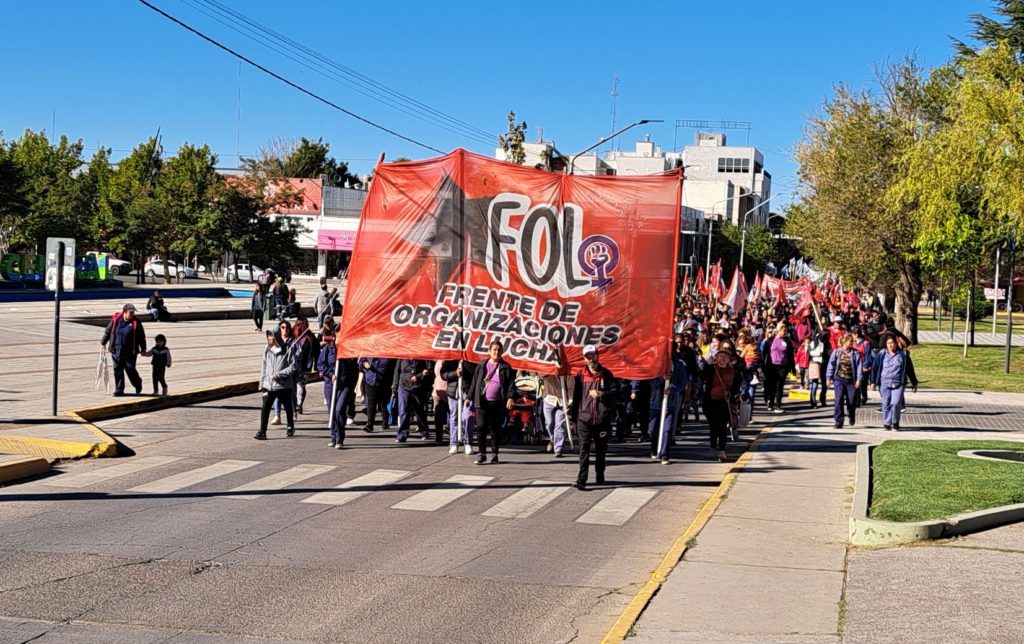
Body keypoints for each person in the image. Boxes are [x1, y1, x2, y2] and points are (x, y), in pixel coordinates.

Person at [570, 345, 618, 489]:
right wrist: (573, 419)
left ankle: (600, 474)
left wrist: (602, 394)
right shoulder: (580, 375)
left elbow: (616, 393)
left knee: (600, 449)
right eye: (588, 356)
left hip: (602, 419)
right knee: (583, 449)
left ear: (598, 356)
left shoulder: (607, 374)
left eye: (593, 355)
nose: (591, 359)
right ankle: (581, 479)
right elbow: (576, 398)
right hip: (584, 419)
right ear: (584, 359)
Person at [469, 341, 515, 464]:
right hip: (482, 402)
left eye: (499, 350)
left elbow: (511, 384)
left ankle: (494, 454)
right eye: (494, 349)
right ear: (489, 351)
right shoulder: (481, 365)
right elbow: (475, 382)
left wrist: (510, 397)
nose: (496, 352)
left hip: (498, 403)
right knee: (481, 428)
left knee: (495, 429)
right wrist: (469, 397)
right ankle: (481, 453)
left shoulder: (506, 367)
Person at [254, 330, 298, 440]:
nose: (269, 338)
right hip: (269, 386)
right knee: (265, 408)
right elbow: (264, 366)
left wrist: (279, 375)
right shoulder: (267, 349)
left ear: (276, 336)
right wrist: (261, 381)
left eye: (271, 335)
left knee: (288, 407)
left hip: (283, 386)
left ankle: (290, 426)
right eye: (268, 335)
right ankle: (262, 431)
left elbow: (293, 367)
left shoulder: (287, 349)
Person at [319, 332, 357, 448]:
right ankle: (334, 437)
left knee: (339, 409)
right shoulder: (328, 349)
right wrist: (331, 374)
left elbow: (354, 369)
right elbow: (320, 364)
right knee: (332, 411)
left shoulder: (349, 350)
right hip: (331, 384)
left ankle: (340, 438)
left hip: (344, 384)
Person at [702, 347, 740, 462]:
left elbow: (737, 386)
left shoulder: (734, 371)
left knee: (722, 426)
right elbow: (702, 377)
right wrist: (707, 365)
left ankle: (722, 450)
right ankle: (713, 447)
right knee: (713, 426)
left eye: (725, 357)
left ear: (729, 359)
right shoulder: (712, 369)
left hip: (725, 402)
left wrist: (731, 393)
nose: (722, 359)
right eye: (720, 357)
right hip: (710, 401)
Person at [101, 303, 147, 397]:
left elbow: (141, 337)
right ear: (124, 312)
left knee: (130, 369)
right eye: (131, 312)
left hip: (130, 352)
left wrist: (143, 348)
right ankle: (119, 389)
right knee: (117, 369)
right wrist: (103, 342)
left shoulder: (136, 322)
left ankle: (137, 383)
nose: (132, 314)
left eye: (133, 312)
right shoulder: (116, 320)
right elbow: (108, 331)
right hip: (116, 349)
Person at [871, 335, 917, 431]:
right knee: (886, 403)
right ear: (886, 345)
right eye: (888, 343)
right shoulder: (881, 354)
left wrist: (914, 383)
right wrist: (873, 382)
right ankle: (887, 423)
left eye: (892, 343)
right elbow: (875, 369)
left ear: (896, 343)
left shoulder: (903, 355)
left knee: (895, 403)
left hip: (898, 383)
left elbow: (910, 370)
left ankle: (895, 422)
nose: (890, 345)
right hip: (884, 383)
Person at [826, 333, 863, 429]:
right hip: (839, 379)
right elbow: (831, 365)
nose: (853, 343)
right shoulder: (837, 352)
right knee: (838, 400)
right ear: (845, 342)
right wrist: (828, 378)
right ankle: (839, 422)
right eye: (851, 341)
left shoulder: (856, 353)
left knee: (851, 401)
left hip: (851, 380)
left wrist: (859, 379)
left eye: (853, 341)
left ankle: (851, 415)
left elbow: (859, 367)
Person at [394, 359, 435, 442]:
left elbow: (430, 370)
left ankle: (424, 431)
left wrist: (419, 376)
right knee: (403, 411)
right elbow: (397, 371)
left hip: (418, 388)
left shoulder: (423, 355)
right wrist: (395, 387)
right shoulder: (402, 356)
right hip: (404, 386)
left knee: (419, 410)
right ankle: (402, 434)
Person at [441, 359, 477, 455]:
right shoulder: (450, 358)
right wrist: (455, 373)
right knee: (454, 417)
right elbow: (443, 374)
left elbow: (475, 374)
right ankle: (453, 443)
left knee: (468, 417)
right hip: (453, 392)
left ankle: (468, 442)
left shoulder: (471, 359)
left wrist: (465, 366)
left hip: (467, 392)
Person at [762, 323, 795, 413]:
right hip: (771, 366)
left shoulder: (787, 341)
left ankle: (778, 404)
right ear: (778, 330)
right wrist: (762, 365)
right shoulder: (770, 340)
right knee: (771, 385)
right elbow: (764, 353)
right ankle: (770, 403)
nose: (784, 333)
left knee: (779, 386)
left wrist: (793, 367)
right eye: (783, 331)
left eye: (785, 331)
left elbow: (791, 355)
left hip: (783, 366)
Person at [359, 357, 395, 432]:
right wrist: (364, 364)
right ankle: (370, 424)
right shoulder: (369, 348)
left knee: (384, 403)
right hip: (370, 380)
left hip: (385, 381)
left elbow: (394, 366)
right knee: (371, 403)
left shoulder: (388, 351)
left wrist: (393, 382)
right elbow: (361, 360)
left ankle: (385, 423)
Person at [540, 373, 571, 457]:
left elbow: (571, 386)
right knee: (549, 423)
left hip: (563, 400)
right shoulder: (549, 367)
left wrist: (570, 403)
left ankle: (558, 448)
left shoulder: (567, 372)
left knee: (560, 425)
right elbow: (541, 376)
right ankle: (553, 439)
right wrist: (550, 372)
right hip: (549, 399)